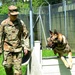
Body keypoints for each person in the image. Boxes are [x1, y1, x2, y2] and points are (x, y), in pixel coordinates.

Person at [0, 5, 30, 75]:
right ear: (9, 14)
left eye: (16, 15)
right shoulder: (4, 24)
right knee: (7, 66)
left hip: (17, 49)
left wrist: (26, 47)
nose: (15, 16)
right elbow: (0, 36)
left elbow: (25, 35)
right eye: (13, 15)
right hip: (7, 49)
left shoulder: (20, 23)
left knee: (18, 71)